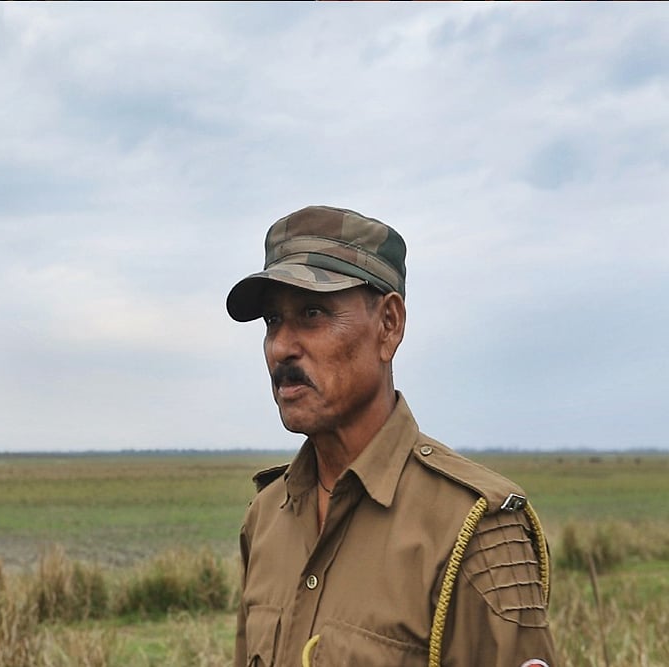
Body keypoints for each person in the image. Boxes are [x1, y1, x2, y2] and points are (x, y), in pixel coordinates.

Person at [227, 205, 556, 667]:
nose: (282, 346)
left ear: (389, 325)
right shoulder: (265, 518)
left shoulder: (475, 529)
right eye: (272, 321)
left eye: (313, 313)